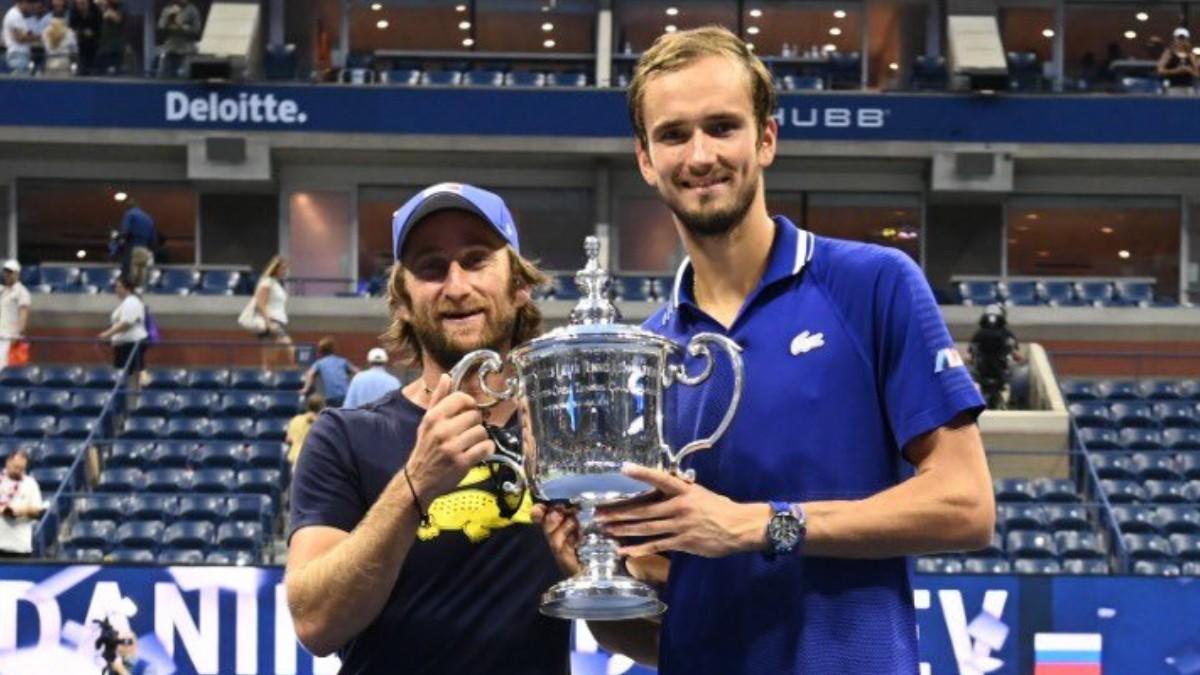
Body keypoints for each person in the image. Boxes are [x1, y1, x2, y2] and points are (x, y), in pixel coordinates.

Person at [534, 27, 994, 673]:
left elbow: (966, 505)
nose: (700, 155)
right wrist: (595, 572)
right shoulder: (648, 355)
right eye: (673, 134)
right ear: (645, 159)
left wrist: (759, 526)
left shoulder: (872, 284)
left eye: (722, 127)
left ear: (767, 139)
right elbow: (659, 637)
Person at [285, 182, 567, 673]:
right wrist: (415, 484)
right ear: (401, 300)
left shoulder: (565, 436)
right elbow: (314, 624)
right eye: (431, 267)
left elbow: (633, 627)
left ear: (520, 286)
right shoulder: (344, 436)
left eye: (477, 259)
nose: (456, 287)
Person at [98, 274, 147, 394]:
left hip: (131, 344)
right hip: (122, 344)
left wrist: (107, 334)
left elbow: (127, 323)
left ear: (127, 289)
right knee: (123, 373)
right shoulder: (124, 304)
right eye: (116, 287)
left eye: (119, 287)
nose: (116, 289)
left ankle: (141, 397)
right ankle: (123, 400)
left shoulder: (132, 302)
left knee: (137, 371)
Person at [969, 304, 1023, 410]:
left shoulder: (980, 333)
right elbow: (1016, 354)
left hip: (995, 372)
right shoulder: (1004, 333)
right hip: (988, 372)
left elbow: (969, 354)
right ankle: (1010, 402)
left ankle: (1008, 401)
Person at [0, 449, 44, 559]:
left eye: (22, 469)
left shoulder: (30, 484)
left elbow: (38, 511)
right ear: (8, 463)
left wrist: (20, 511)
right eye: (16, 467)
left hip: (20, 547)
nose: (18, 471)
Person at [252, 255, 292, 368]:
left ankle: (267, 377)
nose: (285, 271)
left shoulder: (276, 284)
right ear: (276, 269)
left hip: (278, 322)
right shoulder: (267, 282)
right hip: (270, 322)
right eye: (283, 268)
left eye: (286, 268)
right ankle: (299, 377)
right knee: (290, 348)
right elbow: (261, 304)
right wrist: (269, 324)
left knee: (270, 357)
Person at [301, 337, 357, 408]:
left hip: (331, 397)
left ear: (320, 350)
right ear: (333, 349)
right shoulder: (342, 361)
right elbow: (357, 372)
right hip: (346, 395)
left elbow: (310, 374)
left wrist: (306, 389)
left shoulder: (319, 363)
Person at [115, 199, 158, 290]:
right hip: (144, 250)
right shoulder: (149, 218)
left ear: (129, 207)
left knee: (129, 279)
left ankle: (129, 298)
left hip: (132, 248)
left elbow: (125, 232)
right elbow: (154, 240)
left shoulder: (130, 214)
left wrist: (118, 240)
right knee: (140, 280)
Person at [155, 0, 200, 79]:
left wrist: (183, 27)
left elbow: (197, 30)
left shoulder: (192, 10)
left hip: (186, 50)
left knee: (186, 76)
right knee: (163, 76)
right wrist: (169, 21)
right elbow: (160, 27)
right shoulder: (168, 9)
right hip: (170, 49)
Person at [0, 259, 31, 367]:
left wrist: (18, 334)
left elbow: (23, 314)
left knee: (3, 368)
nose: (7, 274)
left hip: (9, 337)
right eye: (5, 271)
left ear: (17, 274)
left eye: (10, 272)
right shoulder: (2, 290)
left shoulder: (22, 292)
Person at [2, 0, 42, 74]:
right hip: (18, 57)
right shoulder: (14, 15)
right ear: (23, 2)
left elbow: (26, 34)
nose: (31, 7)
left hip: (21, 56)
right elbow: (20, 38)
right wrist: (39, 37)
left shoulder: (18, 15)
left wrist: (31, 35)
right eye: (29, 4)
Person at [285, 393, 324, 465]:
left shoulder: (295, 419)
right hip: (311, 459)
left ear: (307, 406)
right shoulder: (322, 422)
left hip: (295, 458)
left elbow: (288, 439)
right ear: (322, 407)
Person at [1158, 27, 1197, 94]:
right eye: (1179, 38)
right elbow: (1160, 70)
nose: (1181, 41)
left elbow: (1196, 72)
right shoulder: (1168, 53)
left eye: (1183, 39)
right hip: (1173, 87)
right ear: (1174, 39)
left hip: (1189, 87)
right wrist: (1176, 71)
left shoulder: (1191, 54)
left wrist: (1189, 70)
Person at [94, 0, 125, 75]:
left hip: (115, 49)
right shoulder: (101, 6)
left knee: (114, 75)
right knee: (98, 74)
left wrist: (107, 9)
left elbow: (117, 19)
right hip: (102, 48)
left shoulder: (122, 6)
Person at [68, 0, 99, 74]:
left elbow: (97, 30)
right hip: (79, 47)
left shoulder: (96, 11)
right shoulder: (73, 11)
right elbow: (72, 29)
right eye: (78, 3)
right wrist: (82, 32)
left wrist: (88, 33)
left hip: (94, 47)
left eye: (83, 3)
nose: (80, 5)